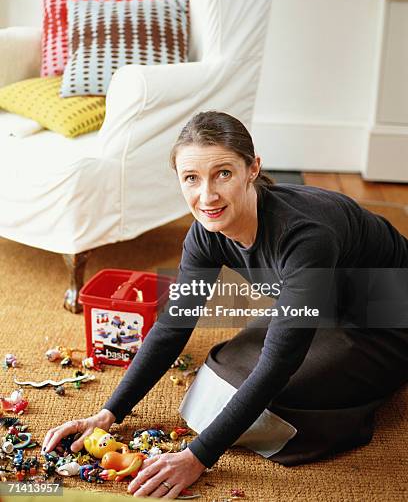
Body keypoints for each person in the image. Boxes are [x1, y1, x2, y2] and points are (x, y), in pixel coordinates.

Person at [42, 111, 408, 499]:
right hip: (323, 310)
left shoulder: (306, 235)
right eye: (191, 179)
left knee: (277, 395)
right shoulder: (206, 232)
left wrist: (197, 456)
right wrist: (108, 413)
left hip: (386, 320)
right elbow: (173, 326)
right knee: (215, 378)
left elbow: (278, 363)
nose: (207, 196)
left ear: (253, 169)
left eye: (223, 174)